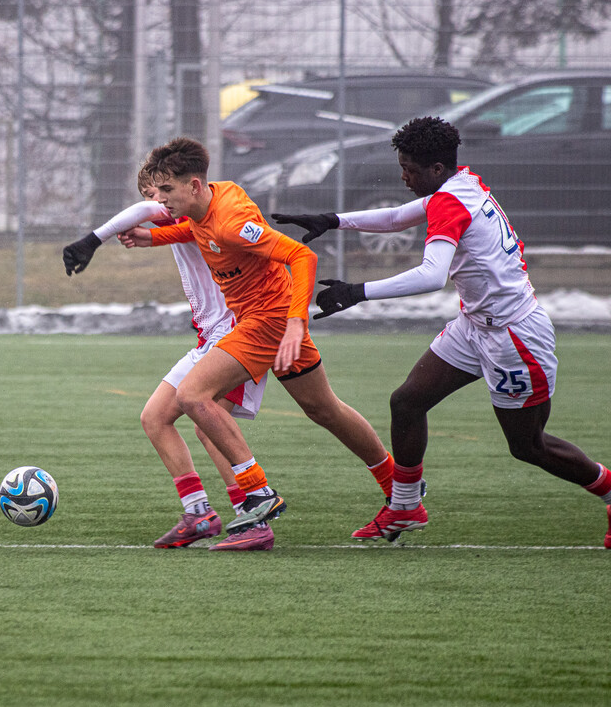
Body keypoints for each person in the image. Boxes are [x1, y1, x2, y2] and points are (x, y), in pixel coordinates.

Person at [272, 116, 611, 547]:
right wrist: (331, 219)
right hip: (475, 326)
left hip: (515, 338)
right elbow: (397, 216)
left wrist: (358, 291)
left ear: (435, 169)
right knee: (408, 402)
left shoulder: (451, 201)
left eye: (409, 168)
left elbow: (433, 276)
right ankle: (405, 504)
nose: (402, 175)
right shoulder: (460, 184)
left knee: (529, 446)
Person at [106, 137, 397, 542]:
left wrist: (297, 321)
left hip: (269, 323)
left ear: (193, 185)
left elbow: (302, 257)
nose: (161, 202)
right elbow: (198, 232)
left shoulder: (228, 219)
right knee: (324, 409)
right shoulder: (210, 203)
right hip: (262, 322)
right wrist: (152, 238)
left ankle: (257, 495)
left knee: (194, 398)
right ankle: (400, 494)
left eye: (167, 191)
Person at [64, 171, 276, 551]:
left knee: (208, 426)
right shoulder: (182, 220)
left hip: (238, 334)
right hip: (210, 337)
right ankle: (199, 514)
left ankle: (253, 517)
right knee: (154, 418)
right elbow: (151, 217)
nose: (158, 201)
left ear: (184, 189)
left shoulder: (195, 213)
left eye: (164, 191)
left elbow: (147, 210)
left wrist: (93, 239)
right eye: (152, 192)